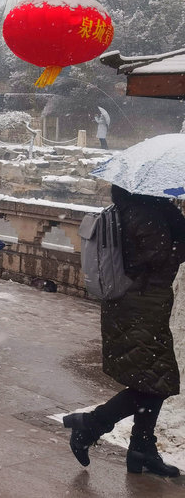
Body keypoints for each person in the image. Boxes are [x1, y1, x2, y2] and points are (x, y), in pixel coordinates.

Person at [61, 185, 185, 477]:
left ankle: (141, 449)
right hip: (139, 304)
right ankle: (91, 425)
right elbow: (158, 259)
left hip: (135, 303)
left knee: (151, 380)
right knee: (158, 383)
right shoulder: (145, 214)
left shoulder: (139, 208)